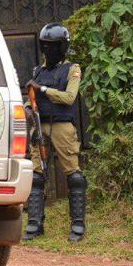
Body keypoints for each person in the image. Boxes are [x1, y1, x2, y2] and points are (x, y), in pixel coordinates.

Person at [23, 22, 86, 242]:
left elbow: (69, 98)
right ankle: (34, 224)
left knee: (74, 175)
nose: (48, 50)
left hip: (62, 126)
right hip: (40, 126)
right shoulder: (37, 71)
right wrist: (28, 109)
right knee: (37, 176)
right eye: (45, 45)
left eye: (53, 45)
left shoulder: (72, 69)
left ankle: (77, 226)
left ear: (62, 46)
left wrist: (43, 89)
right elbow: (30, 99)